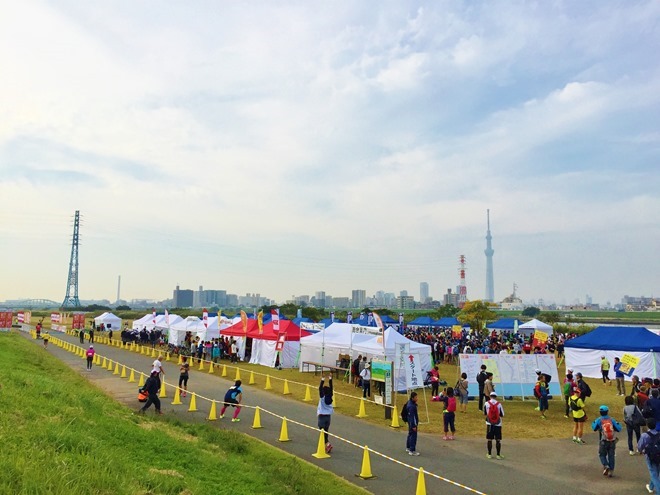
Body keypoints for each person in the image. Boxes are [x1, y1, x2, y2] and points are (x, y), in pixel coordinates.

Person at [592, 404, 622, 477]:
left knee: (602, 454)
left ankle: (605, 465)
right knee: (611, 455)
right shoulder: (612, 419)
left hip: (603, 440)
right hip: (612, 440)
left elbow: (594, 428)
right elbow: (619, 428)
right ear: (607, 411)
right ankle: (611, 471)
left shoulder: (599, 420)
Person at [638, 418, 660, 494]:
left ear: (647, 425)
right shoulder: (658, 434)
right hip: (659, 454)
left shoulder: (645, 435)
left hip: (650, 456)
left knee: (653, 473)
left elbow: (640, 446)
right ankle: (650, 486)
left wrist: (640, 451)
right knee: (656, 472)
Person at [484, 391, 504, 459]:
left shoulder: (486, 403)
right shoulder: (499, 404)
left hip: (489, 423)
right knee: (498, 439)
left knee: (489, 439)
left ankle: (489, 454)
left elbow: (485, 413)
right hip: (498, 423)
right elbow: (502, 414)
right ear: (496, 397)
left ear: (490, 396)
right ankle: (498, 455)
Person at [316, 376, 334, 454]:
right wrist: (330, 379)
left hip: (322, 416)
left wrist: (322, 379)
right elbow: (331, 388)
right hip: (328, 417)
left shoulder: (322, 397)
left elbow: (320, 388)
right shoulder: (330, 396)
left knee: (322, 432)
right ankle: (326, 443)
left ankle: (327, 444)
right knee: (326, 431)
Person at [405, 391, 420, 456]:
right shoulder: (412, 406)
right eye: (416, 397)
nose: (417, 398)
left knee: (410, 434)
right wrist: (414, 425)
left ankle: (408, 447)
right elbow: (412, 417)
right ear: (413, 398)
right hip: (412, 423)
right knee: (413, 436)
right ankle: (412, 450)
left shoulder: (409, 403)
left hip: (409, 422)